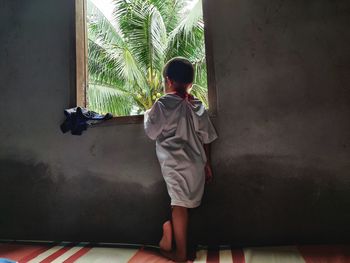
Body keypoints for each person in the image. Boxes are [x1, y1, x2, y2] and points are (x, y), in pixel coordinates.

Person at [144, 57, 218, 262]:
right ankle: (176, 240)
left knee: (178, 204)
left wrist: (147, 113)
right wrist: (208, 163)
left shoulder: (163, 103)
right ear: (190, 83)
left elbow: (151, 132)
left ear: (168, 80)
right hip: (196, 163)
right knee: (183, 204)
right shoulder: (196, 104)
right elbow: (208, 137)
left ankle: (180, 253)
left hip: (175, 164)